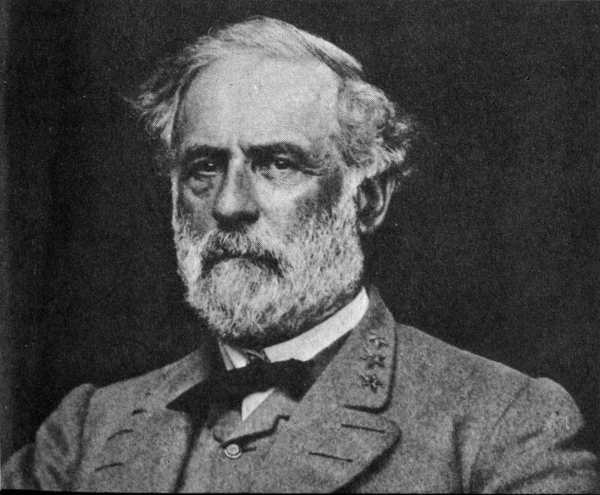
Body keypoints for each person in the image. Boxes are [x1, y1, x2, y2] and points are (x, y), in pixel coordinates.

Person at [2, 16, 598, 493]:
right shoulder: (86, 433)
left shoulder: (505, 428)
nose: (230, 204)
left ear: (367, 199)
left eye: (277, 164)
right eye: (204, 168)